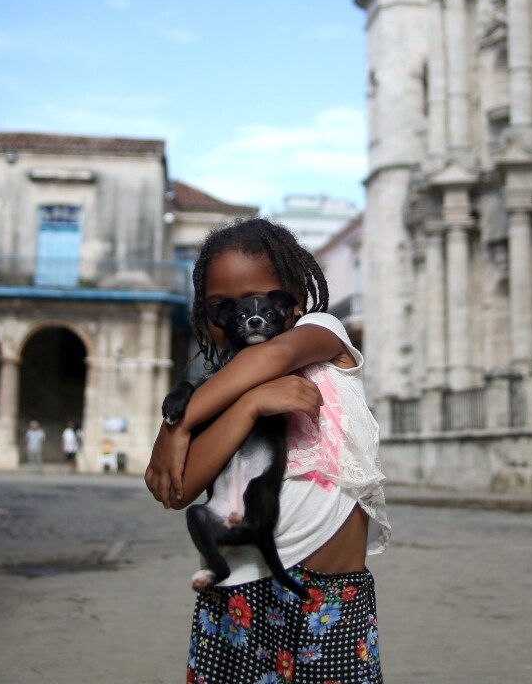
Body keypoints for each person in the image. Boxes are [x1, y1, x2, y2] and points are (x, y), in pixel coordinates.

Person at [146, 217, 389, 683]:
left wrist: (177, 423)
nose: (244, 313)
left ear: (293, 304)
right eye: (222, 306)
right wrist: (249, 406)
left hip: (328, 601)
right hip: (234, 596)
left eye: (258, 298)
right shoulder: (222, 392)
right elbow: (178, 491)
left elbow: (272, 358)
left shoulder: (323, 332)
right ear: (208, 316)